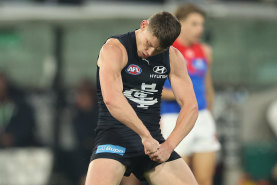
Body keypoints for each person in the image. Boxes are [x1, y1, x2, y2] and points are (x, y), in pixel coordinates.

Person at [85, 11, 199, 185]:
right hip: (114, 138)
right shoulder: (115, 49)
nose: (150, 52)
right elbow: (112, 99)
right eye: (148, 44)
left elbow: (191, 106)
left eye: (158, 49)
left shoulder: (173, 56)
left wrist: (168, 146)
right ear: (144, 25)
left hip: (153, 143)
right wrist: (144, 135)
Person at [160, 4, 221, 185]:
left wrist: (210, 117)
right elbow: (154, 89)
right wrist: (182, 97)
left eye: (202, 24)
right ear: (180, 23)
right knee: (179, 181)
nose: (199, 29)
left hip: (202, 117)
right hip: (174, 117)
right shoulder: (165, 50)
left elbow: (208, 88)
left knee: (205, 179)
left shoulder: (205, 51)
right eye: (194, 24)